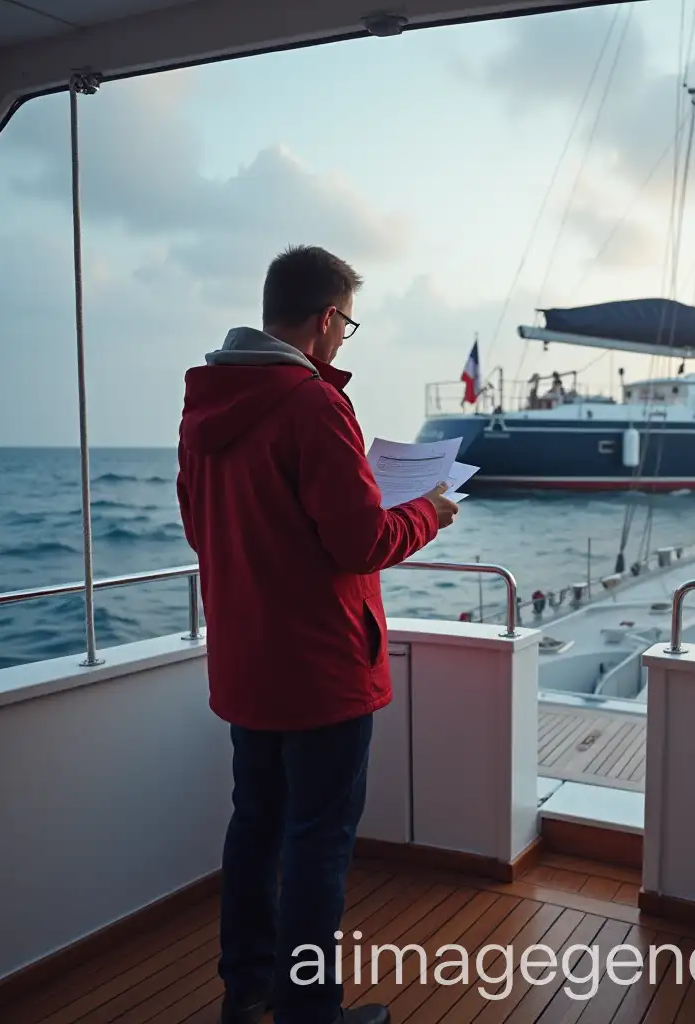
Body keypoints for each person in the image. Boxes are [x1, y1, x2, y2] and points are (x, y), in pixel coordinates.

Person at [176, 245, 459, 1024]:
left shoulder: (202, 405)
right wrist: (427, 513)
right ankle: (310, 1012)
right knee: (317, 842)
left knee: (257, 825)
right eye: (347, 326)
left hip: (246, 665)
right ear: (326, 319)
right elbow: (361, 543)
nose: (343, 341)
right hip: (323, 670)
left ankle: (249, 990)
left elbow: (203, 530)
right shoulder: (313, 405)